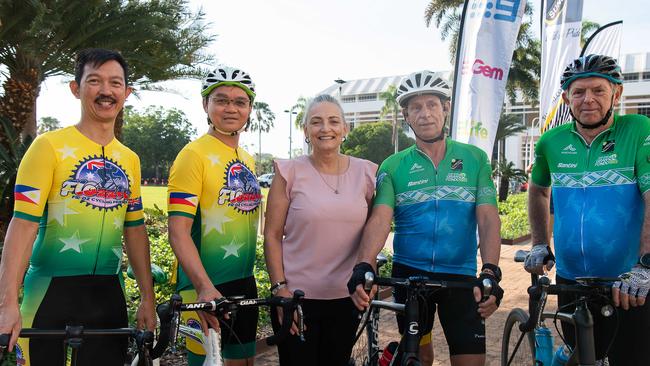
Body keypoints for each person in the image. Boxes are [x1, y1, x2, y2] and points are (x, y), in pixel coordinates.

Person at [0, 48, 156, 365]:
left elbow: (135, 231)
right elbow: (24, 224)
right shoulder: (48, 147)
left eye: (115, 83)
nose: (106, 91)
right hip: (49, 293)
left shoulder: (130, 160)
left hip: (108, 296)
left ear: (126, 93)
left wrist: (148, 299)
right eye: (94, 81)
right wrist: (7, 304)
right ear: (76, 88)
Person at [348, 70, 503, 366]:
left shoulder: (475, 159)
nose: (425, 114)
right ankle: (420, 345)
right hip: (411, 275)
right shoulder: (393, 166)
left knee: (470, 361)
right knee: (417, 358)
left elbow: (487, 218)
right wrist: (364, 263)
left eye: (432, 104)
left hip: (460, 275)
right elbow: (380, 219)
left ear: (445, 108)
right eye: (415, 108)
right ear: (406, 116)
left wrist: (491, 270)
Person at [526, 54, 650, 365]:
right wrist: (540, 243)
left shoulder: (639, 130)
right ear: (567, 97)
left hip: (627, 282)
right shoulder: (551, 142)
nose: (588, 100)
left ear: (616, 94)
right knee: (583, 358)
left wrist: (645, 265)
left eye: (598, 90)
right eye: (579, 92)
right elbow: (538, 190)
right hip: (571, 281)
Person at [264, 94, 377, 365]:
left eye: (333, 121)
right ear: (305, 131)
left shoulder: (367, 173)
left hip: (346, 298)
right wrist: (280, 290)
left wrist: (368, 272)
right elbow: (271, 235)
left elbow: (373, 232)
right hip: (297, 300)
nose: (325, 128)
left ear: (345, 128)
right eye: (316, 122)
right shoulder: (288, 171)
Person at [167, 66, 262, 366]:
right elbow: (178, 231)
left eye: (239, 101)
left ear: (249, 108)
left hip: (244, 282)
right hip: (204, 285)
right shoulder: (193, 155)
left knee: (243, 363)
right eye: (221, 100)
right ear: (205, 105)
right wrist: (203, 287)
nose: (231, 108)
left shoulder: (247, 159)